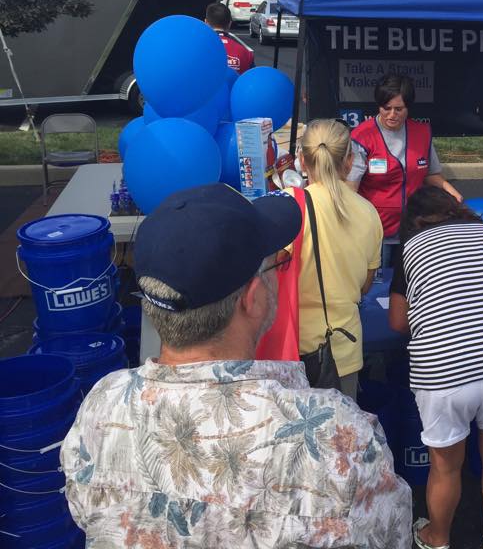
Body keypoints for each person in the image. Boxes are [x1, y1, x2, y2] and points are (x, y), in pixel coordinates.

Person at [60, 183, 411, 547]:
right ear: (253, 299)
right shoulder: (338, 437)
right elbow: (389, 535)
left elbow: (84, 512)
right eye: (278, 263)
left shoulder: (101, 408)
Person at [387, 186, 483, 549]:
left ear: (414, 222)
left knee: (445, 464)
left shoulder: (411, 249)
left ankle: (437, 537)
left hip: (443, 369)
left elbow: (397, 321)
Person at [289, 118, 383, 400]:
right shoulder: (368, 212)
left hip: (292, 351)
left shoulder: (288, 207)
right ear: (350, 160)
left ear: (302, 162)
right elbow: (366, 285)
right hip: (343, 351)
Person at [348, 73, 461, 239]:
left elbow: (431, 174)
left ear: (408, 108)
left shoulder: (422, 133)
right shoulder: (362, 137)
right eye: (386, 108)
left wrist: (452, 193)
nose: (392, 114)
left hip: (415, 224)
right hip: (374, 228)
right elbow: (351, 187)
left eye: (399, 109)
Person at [205, 1, 255, 75]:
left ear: (206, 22)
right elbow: (251, 80)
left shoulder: (196, 49)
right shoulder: (245, 53)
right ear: (229, 24)